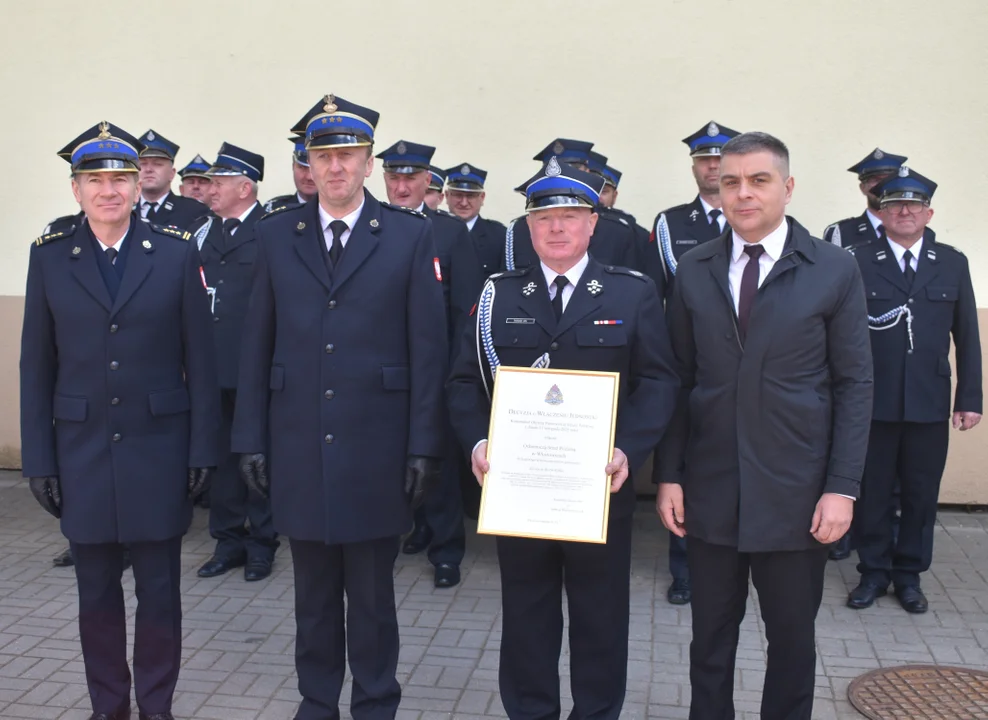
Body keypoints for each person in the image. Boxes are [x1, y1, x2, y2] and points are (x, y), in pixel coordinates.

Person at [231, 94, 448, 719]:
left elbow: (428, 352)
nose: (334, 167)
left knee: (373, 598)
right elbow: (255, 345)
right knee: (314, 597)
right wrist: (249, 438)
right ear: (308, 163)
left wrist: (424, 446)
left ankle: (376, 701)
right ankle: (317, 701)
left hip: (377, 448)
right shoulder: (277, 235)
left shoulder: (409, 236)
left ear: (368, 163)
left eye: (347, 155)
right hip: (298, 443)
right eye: (322, 156)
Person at [448, 156, 679, 720]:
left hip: (597, 487)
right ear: (528, 227)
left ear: (592, 223)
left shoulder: (630, 294)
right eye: (543, 217)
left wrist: (629, 449)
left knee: (601, 617)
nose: (556, 227)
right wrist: (478, 444)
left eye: (570, 216)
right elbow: (462, 382)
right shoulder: (498, 294)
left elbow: (658, 382)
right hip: (519, 489)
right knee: (526, 614)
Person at [655, 132, 873, 720]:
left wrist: (842, 487)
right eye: (731, 182)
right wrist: (670, 474)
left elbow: (855, 385)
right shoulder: (695, 268)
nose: (743, 193)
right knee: (709, 642)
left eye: (759, 180)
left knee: (792, 644)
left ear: (788, 187)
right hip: (713, 488)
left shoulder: (833, 269)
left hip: (797, 493)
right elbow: (679, 379)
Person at [21, 121, 220, 720]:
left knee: (160, 594)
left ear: (138, 187)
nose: (108, 191)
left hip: (159, 450)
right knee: (96, 596)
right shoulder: (50, 256)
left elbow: (201, 363)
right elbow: (37, 366)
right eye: (95, 181)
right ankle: (108, 707)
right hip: (80, 453)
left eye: (120, 180)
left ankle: (156, 707)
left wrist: (202, 451)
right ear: (76, 189)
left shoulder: (176, 254)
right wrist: (39, 460)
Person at [846, 166, 982, 613]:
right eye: (894, 205)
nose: (904, 211)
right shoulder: (856, 260)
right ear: (881, 213)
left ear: (929, 213)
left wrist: (970, 399)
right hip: (873, 400)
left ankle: (909, 577)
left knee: (921, 494)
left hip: (929, 401)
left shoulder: (952, 262)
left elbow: (967, 335)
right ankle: (872, 572)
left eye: (913, 205)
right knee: (873, 491)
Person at [375, 139, 484, 587]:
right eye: (394, 178)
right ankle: (394, 536)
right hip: (381, 369)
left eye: (411, 178)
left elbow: (466, 310)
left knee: (436, 463)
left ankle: (446, 551)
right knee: (384, 460)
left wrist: (455, 372)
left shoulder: (449, 232)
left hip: (432, 369)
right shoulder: (370, 226)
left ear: (427, 182)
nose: (402, 187)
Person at [647, 121, 739, 604]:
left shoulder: (753, 219)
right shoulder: (671, 223)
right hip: (689, 361)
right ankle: (684, 568)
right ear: (694, 167)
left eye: (721, 159)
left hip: (742, 364)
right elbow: (657, 295)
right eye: (705, 159)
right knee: (683, 463)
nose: (713, 167)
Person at [191, 142, 279, 582]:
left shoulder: (271, 232)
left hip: (254, 366)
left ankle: (262, 545)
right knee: (223, 459)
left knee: (257, 456)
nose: (210, 190)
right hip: (213, 367)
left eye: (219, 183)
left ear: (245, 188)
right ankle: (227, 541)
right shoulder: (202, 233)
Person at [501, 138, 638, 272]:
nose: (562, 175)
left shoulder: (617, 231)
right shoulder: (519, 229)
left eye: (570, 216)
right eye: (544, 217)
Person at [823, 148, 907, 248]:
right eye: (875, 180)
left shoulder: (918, 231)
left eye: (888, 179)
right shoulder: (840, 233)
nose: (882, 186)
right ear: (863, 188)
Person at [445, 162, 507, 279]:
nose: (464, 203)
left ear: (482, 198)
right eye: (458, 195)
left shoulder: (499, 236)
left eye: (470, 196)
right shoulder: (433, 231)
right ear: (447, 196)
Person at [136, 129, 208, 229]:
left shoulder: (194, 211)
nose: (148, 169)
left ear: (172, 173)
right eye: (143, 164)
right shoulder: (124, 208)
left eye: (157, 164)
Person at [264, 136, 317, 211]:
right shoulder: (274, 209)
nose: (309, 177)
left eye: (315, 169)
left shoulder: (334, 210)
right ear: (293, 166)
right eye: (302, 167)